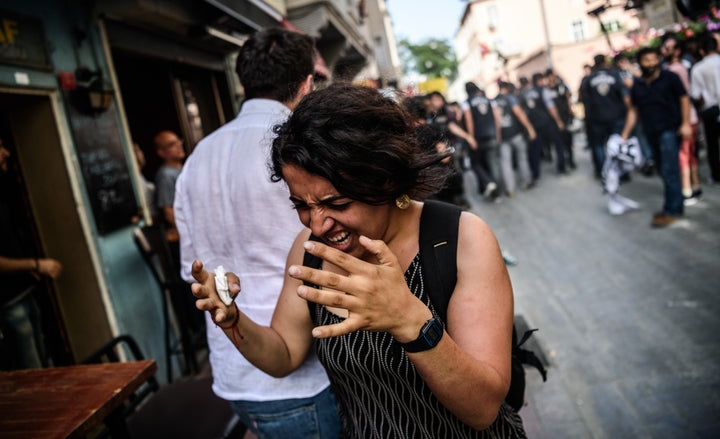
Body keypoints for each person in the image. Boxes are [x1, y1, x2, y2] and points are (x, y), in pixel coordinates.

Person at [189, 84, 526, 438]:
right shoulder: (310, 249)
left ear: (385, 180)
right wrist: (232, 320)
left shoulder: (460, 238)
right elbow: (283, 356)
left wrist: (409, 320)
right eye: (301, 205)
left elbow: (483, 408)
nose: (317, 224)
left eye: (337, 204)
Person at [174, 27, 340, 438]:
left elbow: (193, 272)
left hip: (235, 371)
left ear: (243, 83)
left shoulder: (197, 158)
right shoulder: (304, 149)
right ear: (306, 84)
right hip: (308, 374)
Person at [0, 137, 62, 370]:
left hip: (22, 292)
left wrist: (28, 271)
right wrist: (35, 265)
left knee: (42, 364)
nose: (7, 153)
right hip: (8, 303)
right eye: (0, 147)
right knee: (33, 374)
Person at [624, 47, 692, 227]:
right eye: (647, 60)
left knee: (670, 170)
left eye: (654, 59)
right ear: (640, 62)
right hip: (650, 132)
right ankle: (675, 205)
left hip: (669, 130)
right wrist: (624, 135)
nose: (651, 63)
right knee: (663, 170)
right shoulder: (637, 85)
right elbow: (633, 110)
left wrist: (685, 123)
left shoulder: (670, 78)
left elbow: (684, 99)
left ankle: (672, 210)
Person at [662, 38, 702, 204]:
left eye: (668, 48)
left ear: (677, 50)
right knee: (690, 154)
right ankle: (695, 186)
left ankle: (687, 190)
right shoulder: (679, 68)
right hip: (688, 117)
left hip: (684, 119)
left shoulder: (675, 70)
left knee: (684, 155)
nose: (664, 51)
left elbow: (683, 97)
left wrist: (684, 121)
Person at [581, 54, 634, 179]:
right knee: (618, 144)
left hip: (597, 118)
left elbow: (585, 100)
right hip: (616, 116)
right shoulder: (614, 75)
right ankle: (622, 173)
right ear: (605, 62)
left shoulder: (589, 79)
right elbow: (624, 95)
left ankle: (604, 172)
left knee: (599, 146)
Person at [519, 72, 566, 180]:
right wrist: (558, 121)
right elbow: (551, 107)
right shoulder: (544, 91)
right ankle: (561, 168)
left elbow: (523, 112)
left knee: (535, 150)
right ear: (540, 80)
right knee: (559, 144)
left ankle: (535, 174)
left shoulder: (525, 93)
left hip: (534, 125)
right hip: (547, 123)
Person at [495, 81, 536, 195]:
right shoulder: (510, 98)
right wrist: (530, 128)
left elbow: (496, 120)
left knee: (505, 162)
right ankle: (526, 182)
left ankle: (510, 189)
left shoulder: (494, 101)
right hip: (515, 133)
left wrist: (498, 135)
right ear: (507, 88)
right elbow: (519, 114)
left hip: (503, 136)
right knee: (522, 158)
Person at [462, 82, 502, 198]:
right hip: (491, 135)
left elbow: (469, 121)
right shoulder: (489, 100)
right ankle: (497, 191)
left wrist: (471, 137)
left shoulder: (466, 103)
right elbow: (497, 118)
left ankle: (490, 185)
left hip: (478, 138)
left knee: (477, 163)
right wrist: (498, 133)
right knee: (492, 163)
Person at [690, 34, 720, 184]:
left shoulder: (698, 68)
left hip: (710, 110)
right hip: (712, 110)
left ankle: (716, 175)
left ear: (702, 51)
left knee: (712, 145)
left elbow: (696, 94)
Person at [153, 130, 185, 241]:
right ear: (161, 153)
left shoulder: (183, 169)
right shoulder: (165, 174)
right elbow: (168, 211)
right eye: (172, 144)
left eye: (178, 141)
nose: (179, 145)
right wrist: (187, 232)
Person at [546, 69, 576, 169]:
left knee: (568, 142)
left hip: (565, 117)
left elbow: (568, 98)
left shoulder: (562, 86)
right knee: (558, 144)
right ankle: (561, 165)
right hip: (553, 120)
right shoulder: (546, 90)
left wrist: (571, 111)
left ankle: (571, 160)